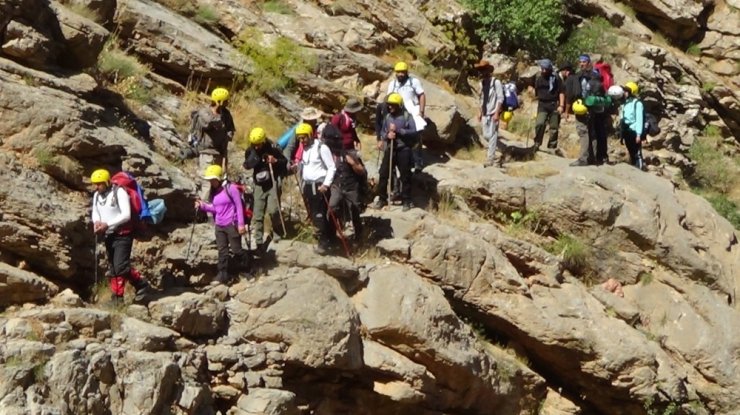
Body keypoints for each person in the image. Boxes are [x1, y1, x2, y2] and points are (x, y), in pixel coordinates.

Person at [90, 169, 150, 304]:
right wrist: (97, 222)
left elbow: (126, 215)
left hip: (124, 234)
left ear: (106, 182)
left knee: (120, 266)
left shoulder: (119, 192)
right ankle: (117, 297)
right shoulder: (96, 195)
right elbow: (95, 211)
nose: (96, 187)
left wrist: (107, 224)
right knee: (114, 267)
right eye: (95, 184)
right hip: (109, 234)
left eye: (99, 184)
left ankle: (141, 284)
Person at [195, 164, 248, 284]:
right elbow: (215, 208)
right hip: (219, 225)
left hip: (231, 224)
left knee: (236, 250)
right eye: (210, 180)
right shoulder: (214, 192)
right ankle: (222, 274)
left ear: (220, 178)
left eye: (213, 179)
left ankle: (246, 268)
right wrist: (202, 206)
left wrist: (241, 224)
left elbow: (239, 206)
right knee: (222, 251)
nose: (211, 182)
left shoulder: (231, 188)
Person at [242, 127, 288, 251]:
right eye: (254, 145)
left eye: (258, 145)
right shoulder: (250, 150)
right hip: (259, 185)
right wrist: (251, 162)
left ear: (263, 141)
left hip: (273, 182)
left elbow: (284, 161)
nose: (256, 147)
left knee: (274, 210)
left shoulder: (273, 148)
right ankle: (258, 241)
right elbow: (246, 164)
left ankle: (277, 233)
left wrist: (275, 160)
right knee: (258, 213)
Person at [296, 123, 336, 255]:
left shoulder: (322, 147)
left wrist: (326, 184)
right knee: (313, 215)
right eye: (300, 138)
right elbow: (305, 165)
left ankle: (324, 243)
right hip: (308, 186)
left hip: (319, 187)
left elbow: (331, 167)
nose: (302, 141)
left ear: (310, 135)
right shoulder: (305, 149)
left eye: (304, 138)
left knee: (319, 215)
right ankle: (326, 238)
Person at [373, 93, 417, 211]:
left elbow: (413, 131)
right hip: (390, 149)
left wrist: (399, 131)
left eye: (393, 105)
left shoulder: (407, 116)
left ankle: (407, 200)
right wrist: (387, 135)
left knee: (405, 175)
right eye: (389, 105)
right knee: (383, 173)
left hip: (404, 150)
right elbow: (382, 131)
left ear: (399, 105)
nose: (390, 107)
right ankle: (382, 199)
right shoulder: (387, 117)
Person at [323, 128, 367, 242]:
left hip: (351, 186)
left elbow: (362, 171)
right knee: (332, 208)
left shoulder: (349, 154)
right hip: (336, 186)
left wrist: (353, 164)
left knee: (355, 211)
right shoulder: (326, 155)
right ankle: (332, 235)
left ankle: (359, 236)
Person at [569, 54, 608, 166]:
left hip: (584, 107)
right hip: (594, 108)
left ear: (588, 63)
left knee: (583, 131)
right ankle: (594, 157)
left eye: (584, 62)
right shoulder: (596, 76)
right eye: (580, 62)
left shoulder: (584, 77)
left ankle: (583, 158)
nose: (581, 64)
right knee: (592, 132)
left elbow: (582, 93)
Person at [387, 61, 426, 172]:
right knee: (401, 137)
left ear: (406, 72)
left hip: (413, 112)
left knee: (416, 137)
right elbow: (389, 98)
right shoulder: (392, 84)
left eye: (402, 72)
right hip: (398, 114)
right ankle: (404, 162)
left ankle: (418, 162)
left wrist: (421, 111)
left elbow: (421, 95)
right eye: (398, 72)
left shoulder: (414, 82)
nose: (400, 74)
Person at [192, 87, 235, 175]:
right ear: (219, 101)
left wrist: (229, 135)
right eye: (225, 101)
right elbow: (209, 123)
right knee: (207, 184)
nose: (227, 103)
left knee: (219, 184)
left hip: (220, 154)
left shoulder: (226, 114)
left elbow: (230, 129)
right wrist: (219, 119)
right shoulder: (204, 112)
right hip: (207, 153)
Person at [474, 59, 504, 168]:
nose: (481, 72)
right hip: (485, 113)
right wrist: (480, 111)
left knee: (492, 135)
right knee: (486, 135)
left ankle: (490, 158)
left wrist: (497, 113)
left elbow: (500, 98)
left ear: (488, 70)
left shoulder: (496, 82)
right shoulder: (482, 83)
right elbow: (481, 98)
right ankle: (496, 155)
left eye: (483, 70)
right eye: (480, 70)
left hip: (493, 113)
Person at [532, 59, 565, 152]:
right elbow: (536, 91)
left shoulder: (556, 78)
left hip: (554, 104)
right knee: (540, 123)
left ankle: (552, 146)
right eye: (542, 68)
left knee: (554, 127)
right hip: (542, 104)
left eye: (545, 69)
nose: (544, 71)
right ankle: (537, 143)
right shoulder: (539, 77)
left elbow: (561, 92)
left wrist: (561, 105)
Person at [619, 82, 645, 170]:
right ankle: (634, 167)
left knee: (637, 152)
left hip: (634, 131)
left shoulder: (637, 104)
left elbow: (639, 120)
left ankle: (640, 168)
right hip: (626, 130)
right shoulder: (624, 103)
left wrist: (638, 134)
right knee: (630, 150)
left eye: (626, 91)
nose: (624, 93)